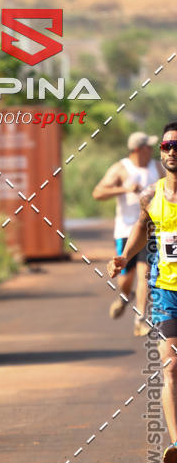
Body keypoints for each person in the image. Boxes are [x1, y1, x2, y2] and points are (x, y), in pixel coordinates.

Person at [107, 121, 177, 463]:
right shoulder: (151, 195)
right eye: (166, 146)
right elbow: (138, 231)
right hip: (167, 292)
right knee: (171, 366)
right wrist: (124, 257)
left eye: (175, 146)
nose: (171, 151)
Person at [94, 131, 164, 336]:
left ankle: (140, 319)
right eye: (149, 147)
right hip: (125, 230)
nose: (152, 150)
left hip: (150, 229)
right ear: (138, 149)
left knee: (146, 273)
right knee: (125, 278)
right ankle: (125, 297)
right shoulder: (121, 168)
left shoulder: (156, 167)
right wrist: (124, 189)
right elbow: (98, 193)